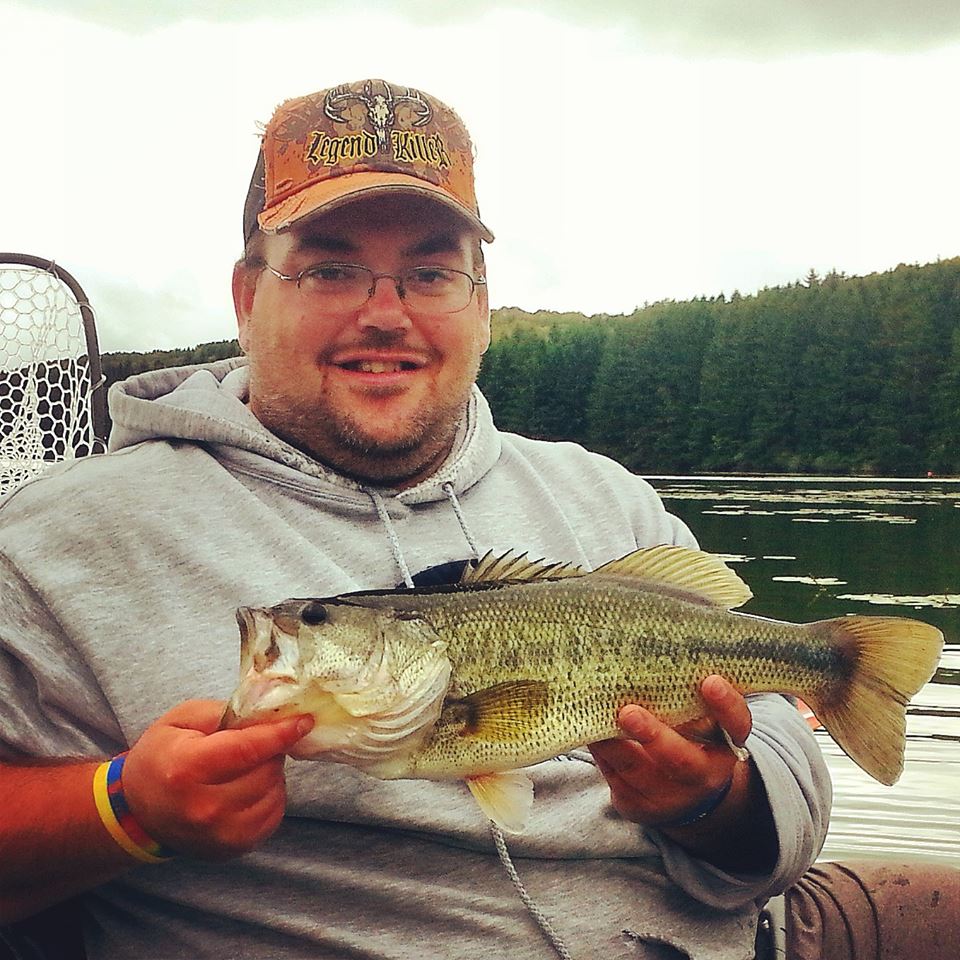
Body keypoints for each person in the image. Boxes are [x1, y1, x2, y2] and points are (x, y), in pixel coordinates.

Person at [0, 77, 878, 960]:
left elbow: (782, 781)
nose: (386, 315)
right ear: (246, 295)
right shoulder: (62, 540)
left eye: (430, 272)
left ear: (482, 303)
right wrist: (122, 808)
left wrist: (711, 801)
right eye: (331, 268)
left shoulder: (609, 500)